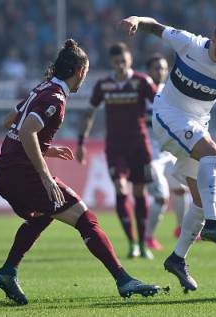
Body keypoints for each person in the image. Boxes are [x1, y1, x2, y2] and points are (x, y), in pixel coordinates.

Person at [0, 39, 160, 305]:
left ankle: (7, 272)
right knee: (86, 218)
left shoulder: (42, 88)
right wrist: (46, 175)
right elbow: (26, 132)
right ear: (80, 71)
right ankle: (124, 280)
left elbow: (9, 123)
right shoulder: (55, 99)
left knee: (43, 216)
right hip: (21, 174)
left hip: (5, 172)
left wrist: (47, 147)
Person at [120, 16, 216, 292]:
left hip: (195, 125)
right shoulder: (189, 43)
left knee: (201, 201)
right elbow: (156, 27)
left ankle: (177, 259)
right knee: (211, 152)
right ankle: (214, 225)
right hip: (168, 115)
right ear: (213, 41)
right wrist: (137, 20)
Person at [76, 42, 156, 260]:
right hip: (115, 147)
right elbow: (89, 113)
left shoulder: (142, 82)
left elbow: (160, 107)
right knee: (121, 190)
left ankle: (143, 242)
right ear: (111, 63)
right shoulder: (104, 86)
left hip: (140, 145)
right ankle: (132, 244)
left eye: (124, 61)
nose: (120, 65)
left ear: (130, 60)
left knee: (139, 193)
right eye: (116, 62)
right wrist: (81, 141)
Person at [144, 53, 192, 250]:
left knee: (181, 189)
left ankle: (181, 228)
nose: (161, 71)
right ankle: (147, 237)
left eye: (163, 68)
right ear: (148, 71)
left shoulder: (170, 93)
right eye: (156, 68)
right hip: (149, 151)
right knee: (161, 197)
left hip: (168, 150)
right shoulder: (141, 91)